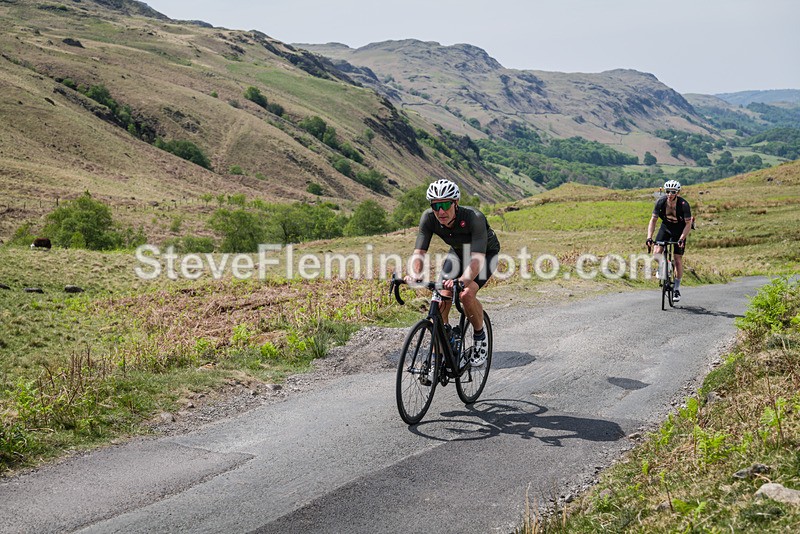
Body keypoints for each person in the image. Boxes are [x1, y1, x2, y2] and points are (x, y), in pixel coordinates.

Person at [405, 179, 500, 367]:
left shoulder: (474, 217)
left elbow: (477, 259)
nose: (440, 211)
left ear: (455, 203)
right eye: (436, 205)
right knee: (441, 297)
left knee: (466, 293)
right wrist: (415, 274)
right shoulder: (429, 218)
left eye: (445, 204)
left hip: (484, 255)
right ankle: (442, 344)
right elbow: (419, 253)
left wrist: (463, 280)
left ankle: (480, 337)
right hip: (457, 254)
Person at [646, 179, 692, 302]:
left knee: (677, 259)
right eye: (668, 191)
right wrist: (649, 237)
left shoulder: (684, 205)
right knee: (656, 254)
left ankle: (676, 289)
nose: (670, 194)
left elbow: (688, 224)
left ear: (677, 192)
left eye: (673, 192)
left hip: (679, 230)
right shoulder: (660, 202)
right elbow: (653, 220)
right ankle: (663, 265)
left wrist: (682, 239)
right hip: (666, 228)